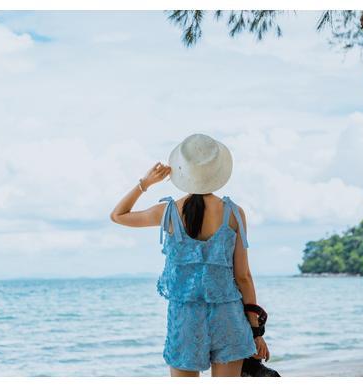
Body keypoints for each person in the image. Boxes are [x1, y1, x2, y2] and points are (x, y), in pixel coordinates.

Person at [110, 133, 270, 377]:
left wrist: (145, 183)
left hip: (185, 321)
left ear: (183, 173)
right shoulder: (234, 214)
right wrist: (256, 332)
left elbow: (118, 215)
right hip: (228, 317)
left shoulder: (168, 213)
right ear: (217, 173)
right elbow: (243, 277)